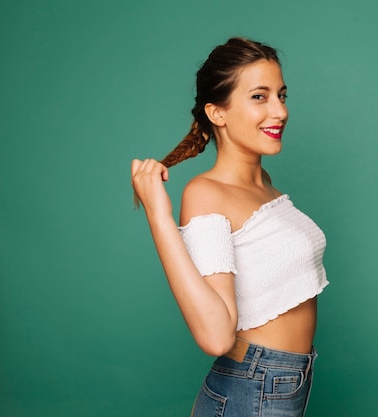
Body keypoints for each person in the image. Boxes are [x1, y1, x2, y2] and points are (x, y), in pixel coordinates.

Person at [130, 37, 328, 417]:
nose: (280, 111)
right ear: (217, 113)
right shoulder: (207, 192)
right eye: (259, 96)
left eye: (281, 95)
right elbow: (216, 335)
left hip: (282, 382)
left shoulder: (265, 185)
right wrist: (158, 215)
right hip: (250, 387)